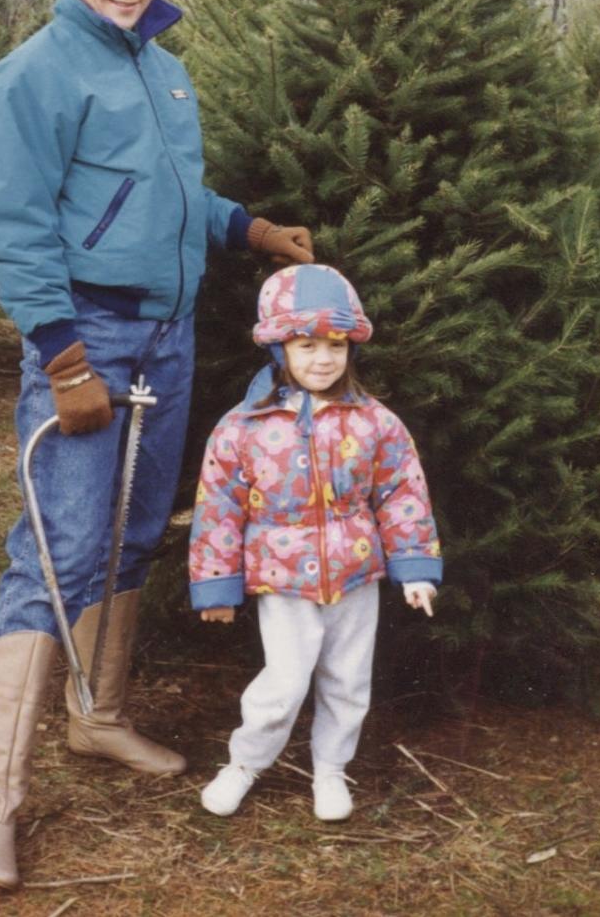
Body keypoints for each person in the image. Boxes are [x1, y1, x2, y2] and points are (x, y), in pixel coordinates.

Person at [0, 0, 314, 889]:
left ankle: (96, 716)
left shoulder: (163, 67)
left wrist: (248, 227)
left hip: (168, 334)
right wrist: (63, 356)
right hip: (90, 338)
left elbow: (171, 192)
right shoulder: (30, 77)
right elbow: (16, 229)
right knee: (57, 551)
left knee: (134, 528)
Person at [189, 263, 442, 822]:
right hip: (284, 583)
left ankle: (331, 771)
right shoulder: (243, 427)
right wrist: (215, 585)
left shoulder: (375, 422)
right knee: (283, 683)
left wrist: (414, 567)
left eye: (335, 344)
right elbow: (219, 506)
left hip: (356, 579)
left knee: (349, 681)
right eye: (306, 345)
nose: (323, 358)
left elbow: (403, 491)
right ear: (280, 348)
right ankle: (245, 764)